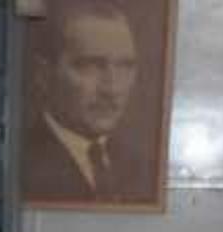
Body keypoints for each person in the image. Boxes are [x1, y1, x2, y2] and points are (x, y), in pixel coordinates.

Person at [22, 0, 147, 204]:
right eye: (91, 65)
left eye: (125, 66)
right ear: (44, 75)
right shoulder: (21, 163)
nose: (112, 89)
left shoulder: (138, 166)